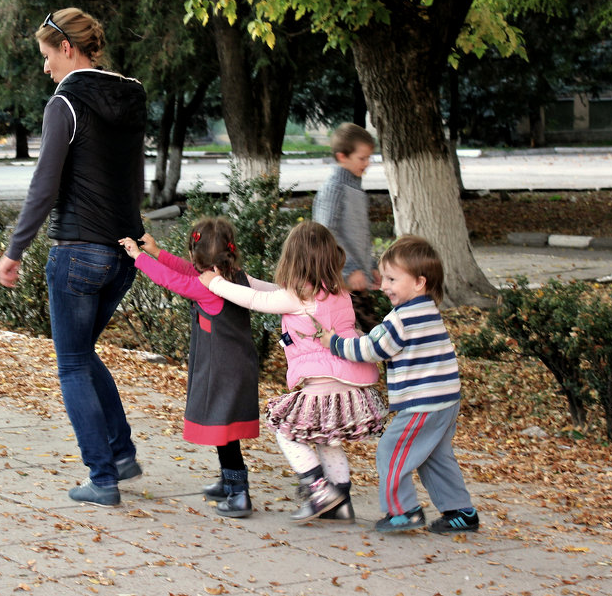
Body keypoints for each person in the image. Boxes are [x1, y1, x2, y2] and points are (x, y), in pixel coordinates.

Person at [0, 8, 148, 508]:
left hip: (79, 252)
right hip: (125, 254)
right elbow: (132, 179)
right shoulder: (130, 96)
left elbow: (45, 185)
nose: (45, 68)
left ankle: (102, 478)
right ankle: (121, 454)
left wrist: (14, 249)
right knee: (83, 354)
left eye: (45, 56)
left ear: (67, 48)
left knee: (72, 364)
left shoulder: (66, 103)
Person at [200, 221, 387, 523]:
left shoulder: (298, 297)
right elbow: (274, 291)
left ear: (293, 259)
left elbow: (258, 301)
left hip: (322, 383)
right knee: (329, 439)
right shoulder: (335, 290)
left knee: (286, 432)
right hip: (348, 382)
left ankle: (318, 490)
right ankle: (340, 501)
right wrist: (242, 279)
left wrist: (215, 283)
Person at [327, 235, 480, 534]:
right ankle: (461, 512)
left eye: (392, 279)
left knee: (390, 451)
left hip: (422, 403)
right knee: (435, 457)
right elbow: (380, 342)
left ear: (420, 283)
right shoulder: (428, 312)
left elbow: (371, 350)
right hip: (445, 400)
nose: (384, 285)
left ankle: (403, 511)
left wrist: (334, 342)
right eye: (384, 278)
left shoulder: (402, 318)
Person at [119, 219, 260, 518]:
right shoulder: (233, 277)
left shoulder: (208, 287)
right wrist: (157, 251)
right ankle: (229, 481)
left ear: (196, 253)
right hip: (236, 364)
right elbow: (185, 271)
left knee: (223, 428)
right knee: (225, 427)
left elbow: (173, 281)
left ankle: (239, 492)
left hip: (220, 368)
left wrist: (140, 257)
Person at [313, 123, 381, 333]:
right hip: (340, 280)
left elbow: (358, 235)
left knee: (370, 335)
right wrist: (350, 269)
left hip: (355, 279)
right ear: (343, 157)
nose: (367, 163)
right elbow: (326, 233)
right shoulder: (334, 188)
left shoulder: (353, 186)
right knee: (368, 335)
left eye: (369, 158)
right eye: (362, 158)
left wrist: (370, 265)